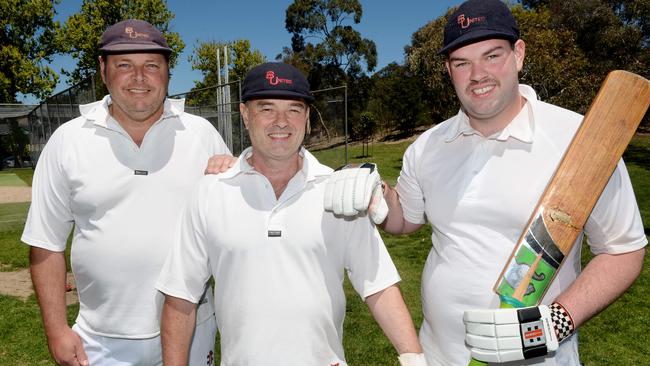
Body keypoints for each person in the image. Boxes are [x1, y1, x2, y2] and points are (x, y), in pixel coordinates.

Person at [323, 1, 647, 365]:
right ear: (449, 70)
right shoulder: (428, 147)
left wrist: (554, 323)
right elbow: (405, 219)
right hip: (439, 354)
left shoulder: (583, 140)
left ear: (519, 54)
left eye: (491, 56)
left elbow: (623, 251)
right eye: (462, 63)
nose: (477, 74)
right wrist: (377, 197)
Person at [156, 62, 428, 366]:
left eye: (294, 109)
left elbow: (377, 285)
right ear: (245, 114)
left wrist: (414, 358)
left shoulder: (337, 191)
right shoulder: (209, 192)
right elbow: (180, 298)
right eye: (267, 109)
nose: (281, 122)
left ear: (308, 117)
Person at [22, 19, 233, 366]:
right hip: (101, 340)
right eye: (124, 65)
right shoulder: (68, 141)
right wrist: (56, 329)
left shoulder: (201, 134)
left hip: (193, 330)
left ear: (167, 72)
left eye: (151, 65)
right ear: (103, 70)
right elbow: (46, 243)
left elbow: (238, 223)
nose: (139, 78)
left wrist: (231, 174)